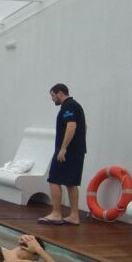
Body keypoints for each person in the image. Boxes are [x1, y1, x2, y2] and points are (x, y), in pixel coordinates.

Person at [40, 83, 87, 226]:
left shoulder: (68, 106)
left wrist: (64, 148)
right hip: (77, 151)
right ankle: (74, 216)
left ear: (60, 93)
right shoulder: (75, 105)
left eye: (53, 96)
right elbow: (84, 126)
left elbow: (71, 126)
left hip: (67, 153)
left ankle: (56, 213)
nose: (53, 99)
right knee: (71, 183)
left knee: (54, 179)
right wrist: (79, 143)